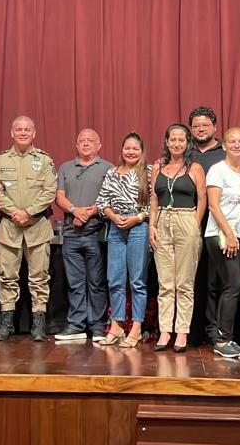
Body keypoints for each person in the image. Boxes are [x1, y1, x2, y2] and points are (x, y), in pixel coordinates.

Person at [0, 116, 57, 342]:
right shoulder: (0, 161)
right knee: (6, 277)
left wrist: (29, 212)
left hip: (37, 228)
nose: (23, 133)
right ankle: (6, 324)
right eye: (19, 129)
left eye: (27, 129)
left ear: (34, 133)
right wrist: (14, 212)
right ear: (12, 133)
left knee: (39, 278)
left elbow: (49, 191)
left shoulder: (45, 160)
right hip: (10, 228)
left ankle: (38, 324)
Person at [149, 124, 207, 352]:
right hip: (162, 220)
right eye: (172, 139)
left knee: (184, 282)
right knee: (165, 282)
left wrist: (195, 223)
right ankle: (165, 331)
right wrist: (152, 225)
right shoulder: (158, 167)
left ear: (187, 142)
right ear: (167, 141)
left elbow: (202, 199)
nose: (176, 143)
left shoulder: (195, 168)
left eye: (181, 139)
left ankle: (182, 332)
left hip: (186, 219)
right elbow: (154, 199)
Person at [54, 129, 114, 342]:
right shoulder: (65, 167)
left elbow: (110, 197)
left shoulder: (108, 168)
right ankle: (76, 325)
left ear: (99, 145)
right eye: (82, 141)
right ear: (76, 145)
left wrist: (88, 213)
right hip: (71, 235)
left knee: (96, 282)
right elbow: (59, 196)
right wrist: (74, 211)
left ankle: (97, 326)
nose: (86, 143)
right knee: (75, 283)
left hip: (96, 234)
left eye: (90, 141)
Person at [95, 133, 152, 347]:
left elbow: (153, 205)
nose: (131, 152)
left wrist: (137, 218)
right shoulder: (112, 172)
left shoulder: (148, 172)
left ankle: (136, 329)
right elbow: (102, 202)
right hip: (116, 228)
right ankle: (117, 326)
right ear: (121, 150)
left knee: (137, 280)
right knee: (115, 279)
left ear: (141, 151)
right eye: (127, 148)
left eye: (135, 148)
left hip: (138, 226)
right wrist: (113, 217)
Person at [204, 127, 240, 359]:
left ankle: (228, 337)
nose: (236, 145)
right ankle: (222, 340)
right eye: (231, 141)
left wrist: (239, 235)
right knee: (232, 285)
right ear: (224, 145)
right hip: (221, 235)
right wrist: (229, 234)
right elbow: (213, 206)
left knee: (233, 287)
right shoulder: (217, 170)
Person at [186, 106, 226, 346]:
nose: (201, 129)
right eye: (196, 126)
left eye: (205, 125)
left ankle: (213, 328)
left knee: (214, 280)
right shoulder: (183, 152)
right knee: (189, 278)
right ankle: (189, 329)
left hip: (216, 224)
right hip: (187, 224)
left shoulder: (224, 153)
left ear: (215, 127)